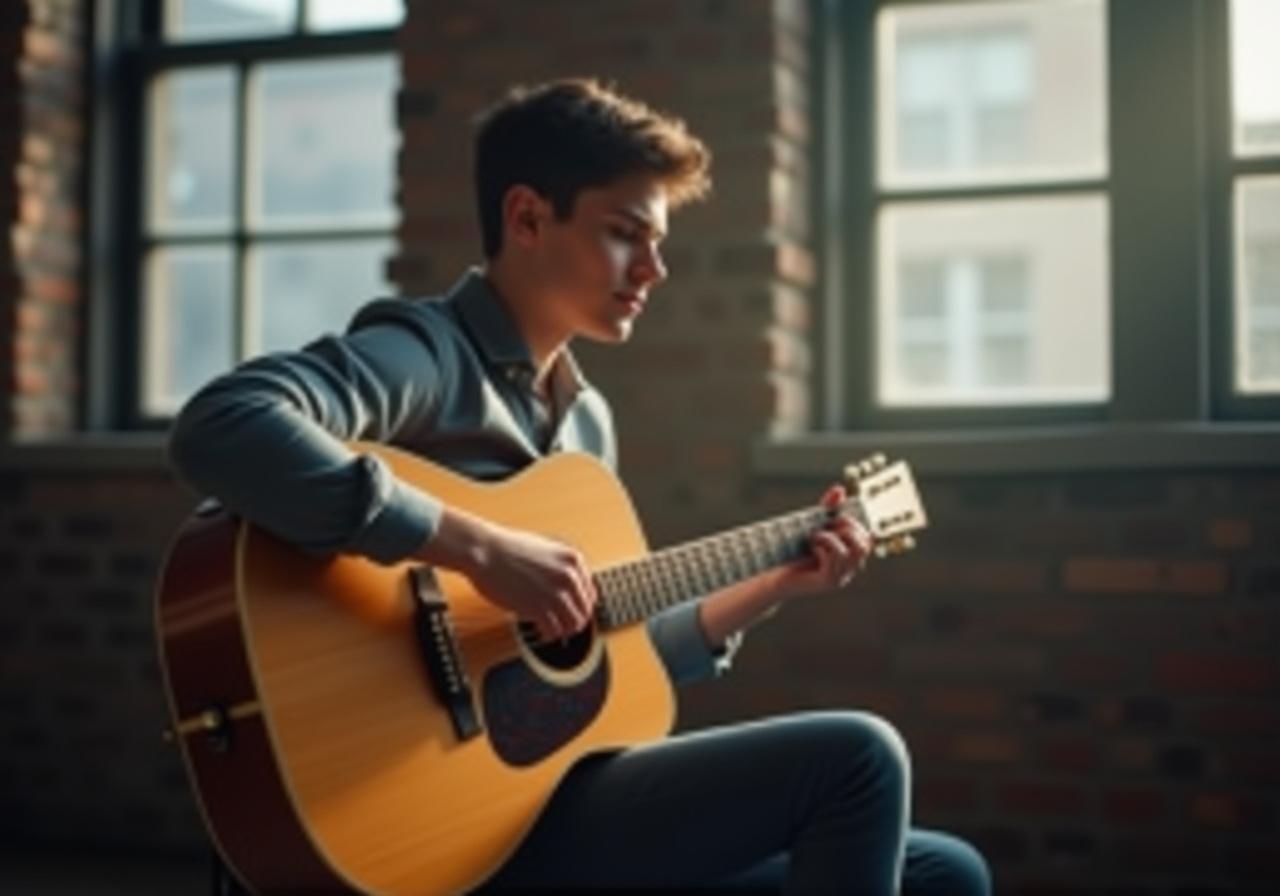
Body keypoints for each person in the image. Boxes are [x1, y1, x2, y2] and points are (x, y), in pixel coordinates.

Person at [169, 77, 990, 895]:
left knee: (944, 874)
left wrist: (774, 582)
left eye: (659, 241)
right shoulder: (423, 356)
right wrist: (481, 548)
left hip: (539, 794)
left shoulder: (585, 424)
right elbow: (225, 422)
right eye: (626, 233)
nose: (655, 268)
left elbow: (601, 660)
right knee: (859, 758)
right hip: (424, 818)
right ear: (527, 217)